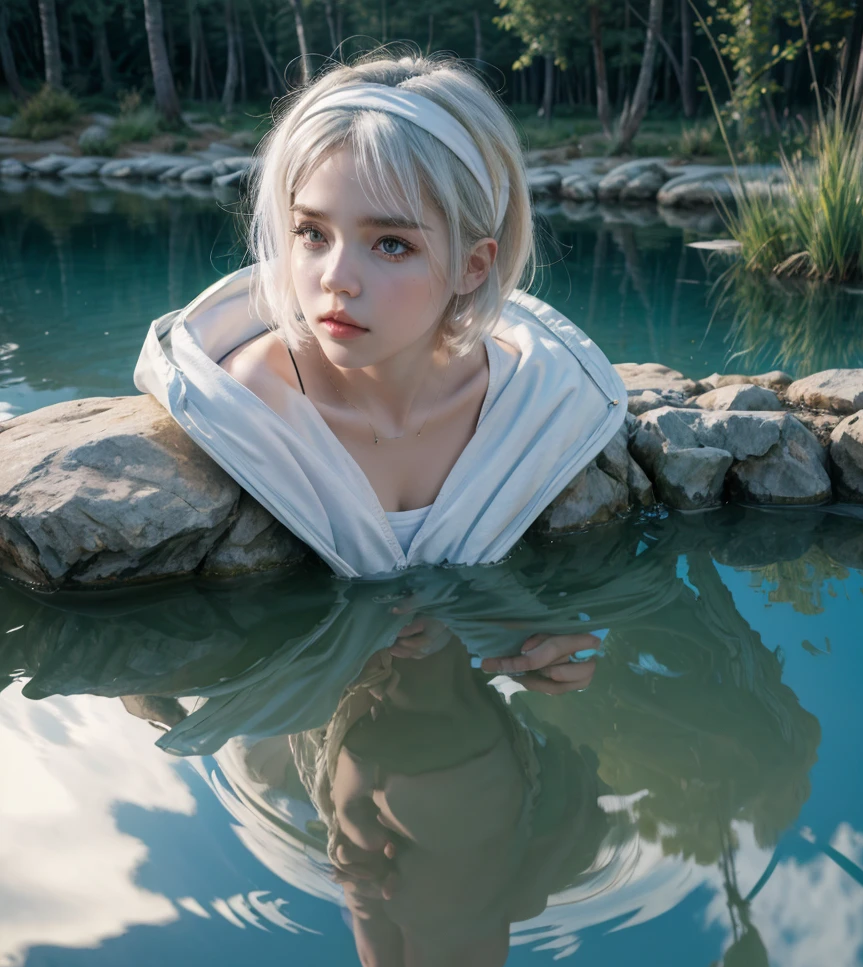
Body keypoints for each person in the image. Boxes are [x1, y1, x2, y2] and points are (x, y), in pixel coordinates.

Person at [134, 50, 626, 579]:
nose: (335, 278)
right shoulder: (243, 407)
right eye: (312, 233)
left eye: (391, 244)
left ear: (473, 265)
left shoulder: (538, 411)